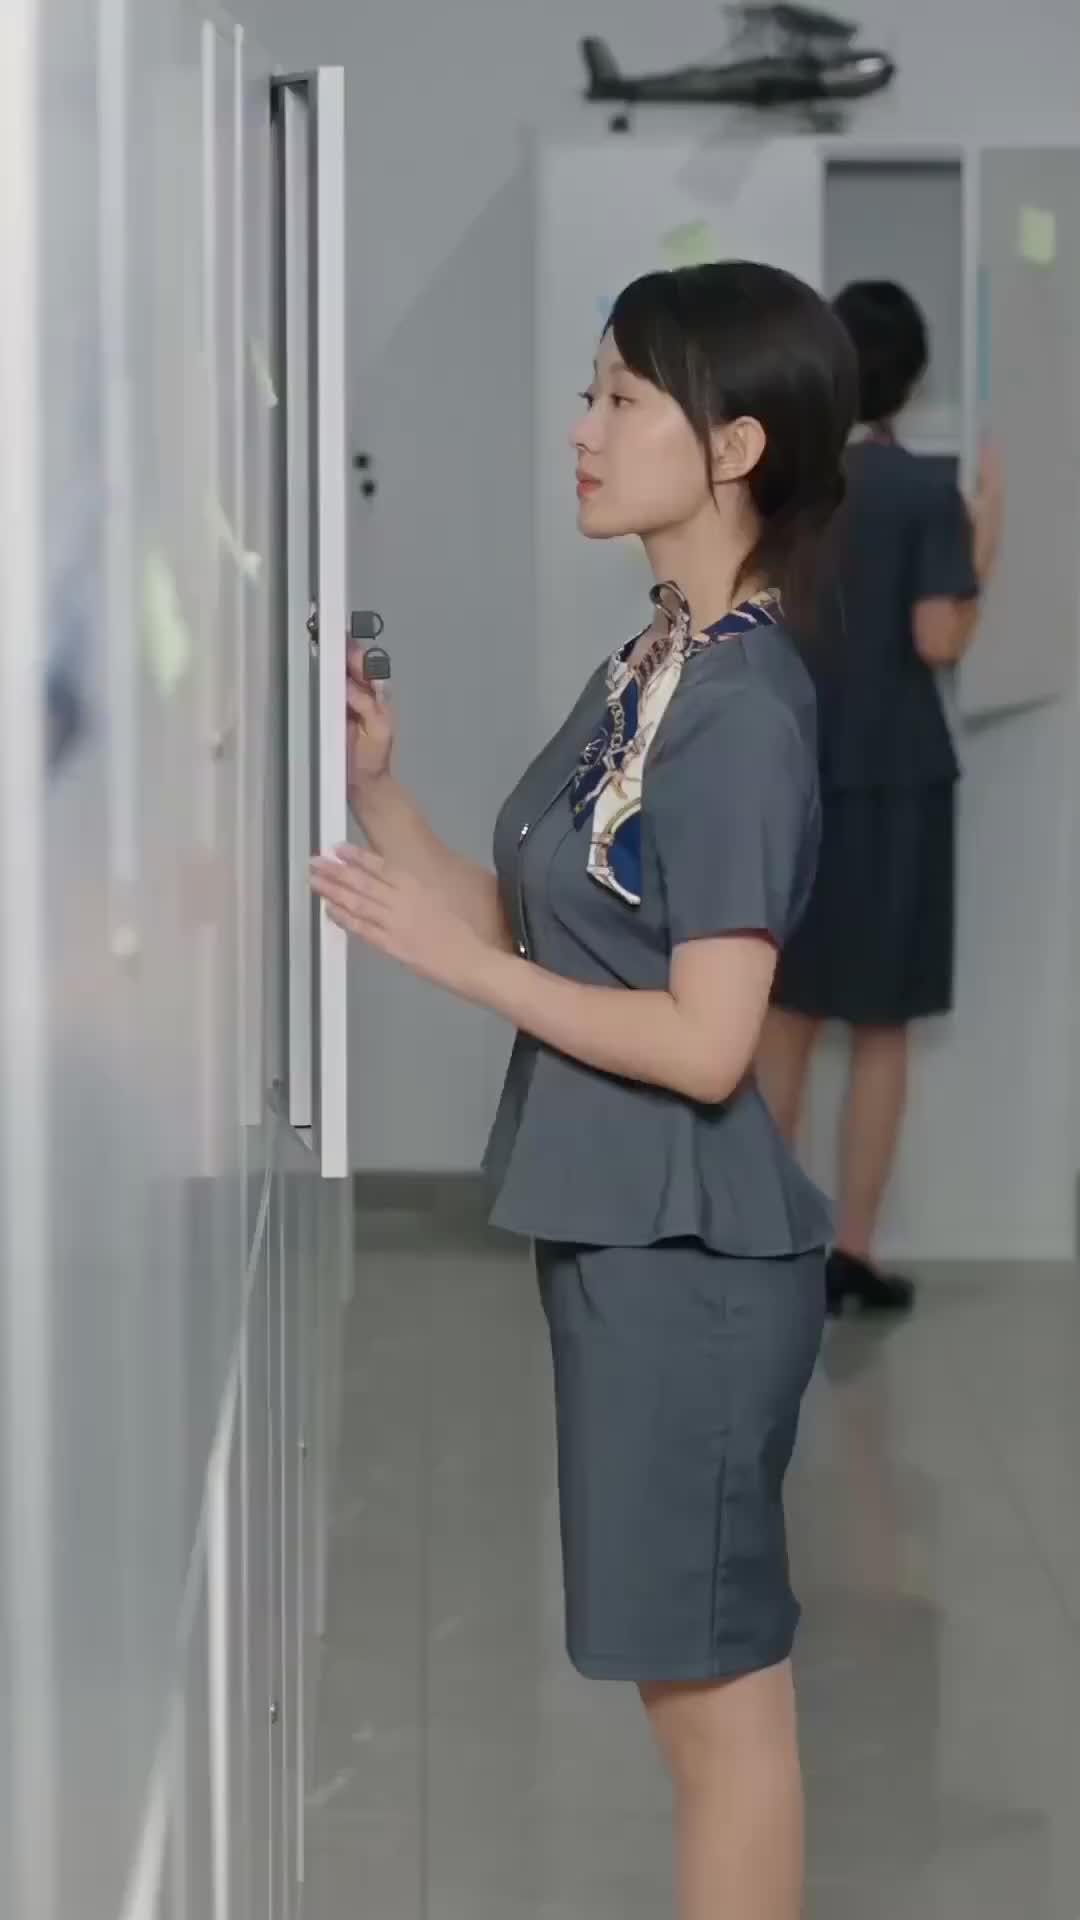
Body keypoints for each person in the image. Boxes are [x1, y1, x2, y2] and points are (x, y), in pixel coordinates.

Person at [310, 260, 856, 1920]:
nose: (584, 429)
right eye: (590, 392)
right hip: (632, 1249)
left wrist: (459, 970)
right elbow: (544, 927)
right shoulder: (656, 664)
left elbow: (704, 1041)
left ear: (737, 445)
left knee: (718, 1717)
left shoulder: (741, 711)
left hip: (693, 1268)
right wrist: (381, 801)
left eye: (624, 397)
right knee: (691, 1696)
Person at [758, 280, 1003, 1318]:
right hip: (897, 784)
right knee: (880, 1028)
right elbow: (938, 639)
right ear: (913, 378)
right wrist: (985, 541)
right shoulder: (922, 492)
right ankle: (850, 1254)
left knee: (782, 1019)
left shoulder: (787, 486)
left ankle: (768, 1251)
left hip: (790, 773)